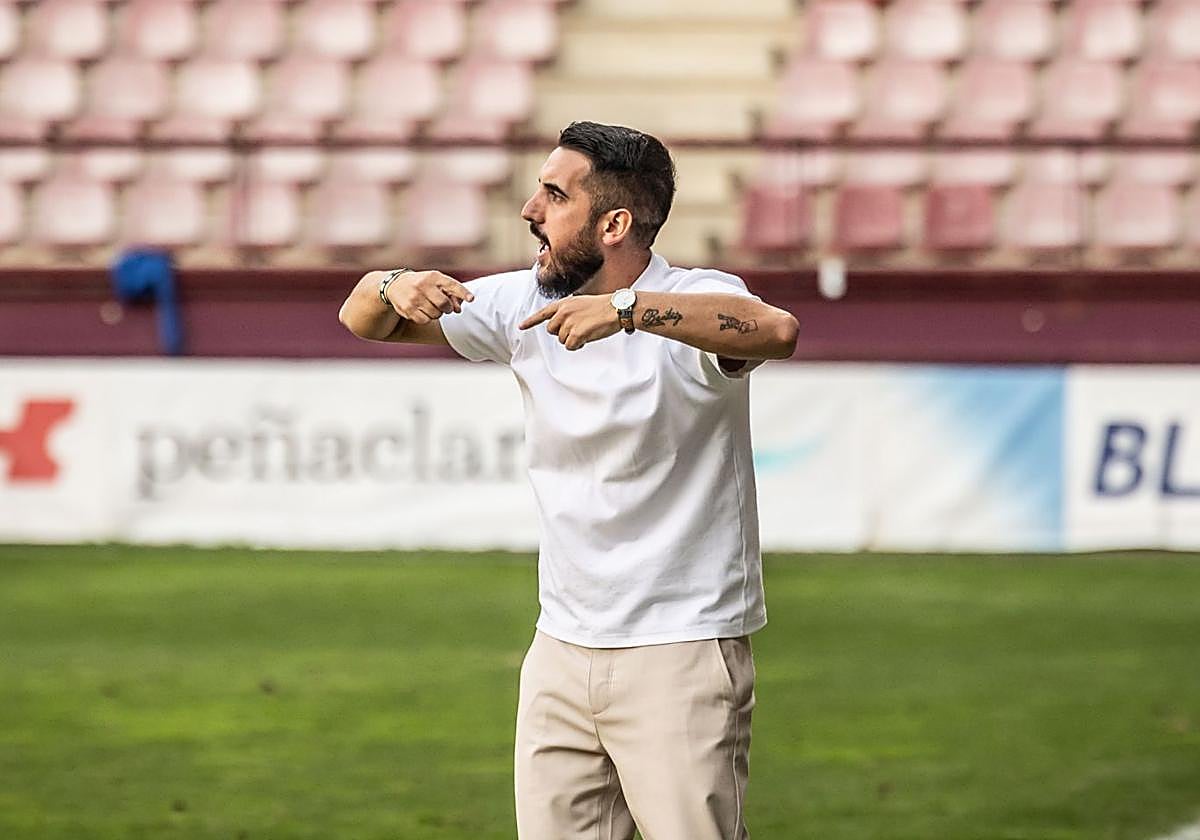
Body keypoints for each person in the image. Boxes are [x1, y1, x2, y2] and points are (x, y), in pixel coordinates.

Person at [339, 121, 798, 840]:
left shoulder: (693, 297)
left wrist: (625, 311)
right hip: (558, 648)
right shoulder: (526, 302)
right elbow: (362, 317)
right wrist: (398, 282)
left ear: (614, 223)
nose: (530, 209)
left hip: (678, 651)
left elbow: (774, 331)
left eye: (554, 194)